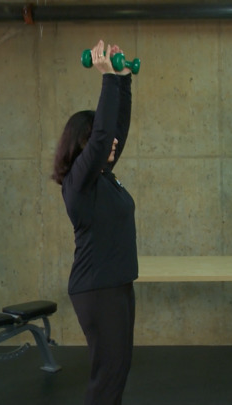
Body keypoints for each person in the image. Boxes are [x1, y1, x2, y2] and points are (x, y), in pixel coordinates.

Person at [51, 39, 137, 405]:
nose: (111, 143)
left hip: (116, 284)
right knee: (107, 378)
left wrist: (124, 79)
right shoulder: (79, 184)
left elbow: (115, 131)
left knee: (117, 373)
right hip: (98, 289)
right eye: (97, 139)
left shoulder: (103, 177)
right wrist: (107, 78)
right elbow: (103, 137)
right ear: (81, 145)